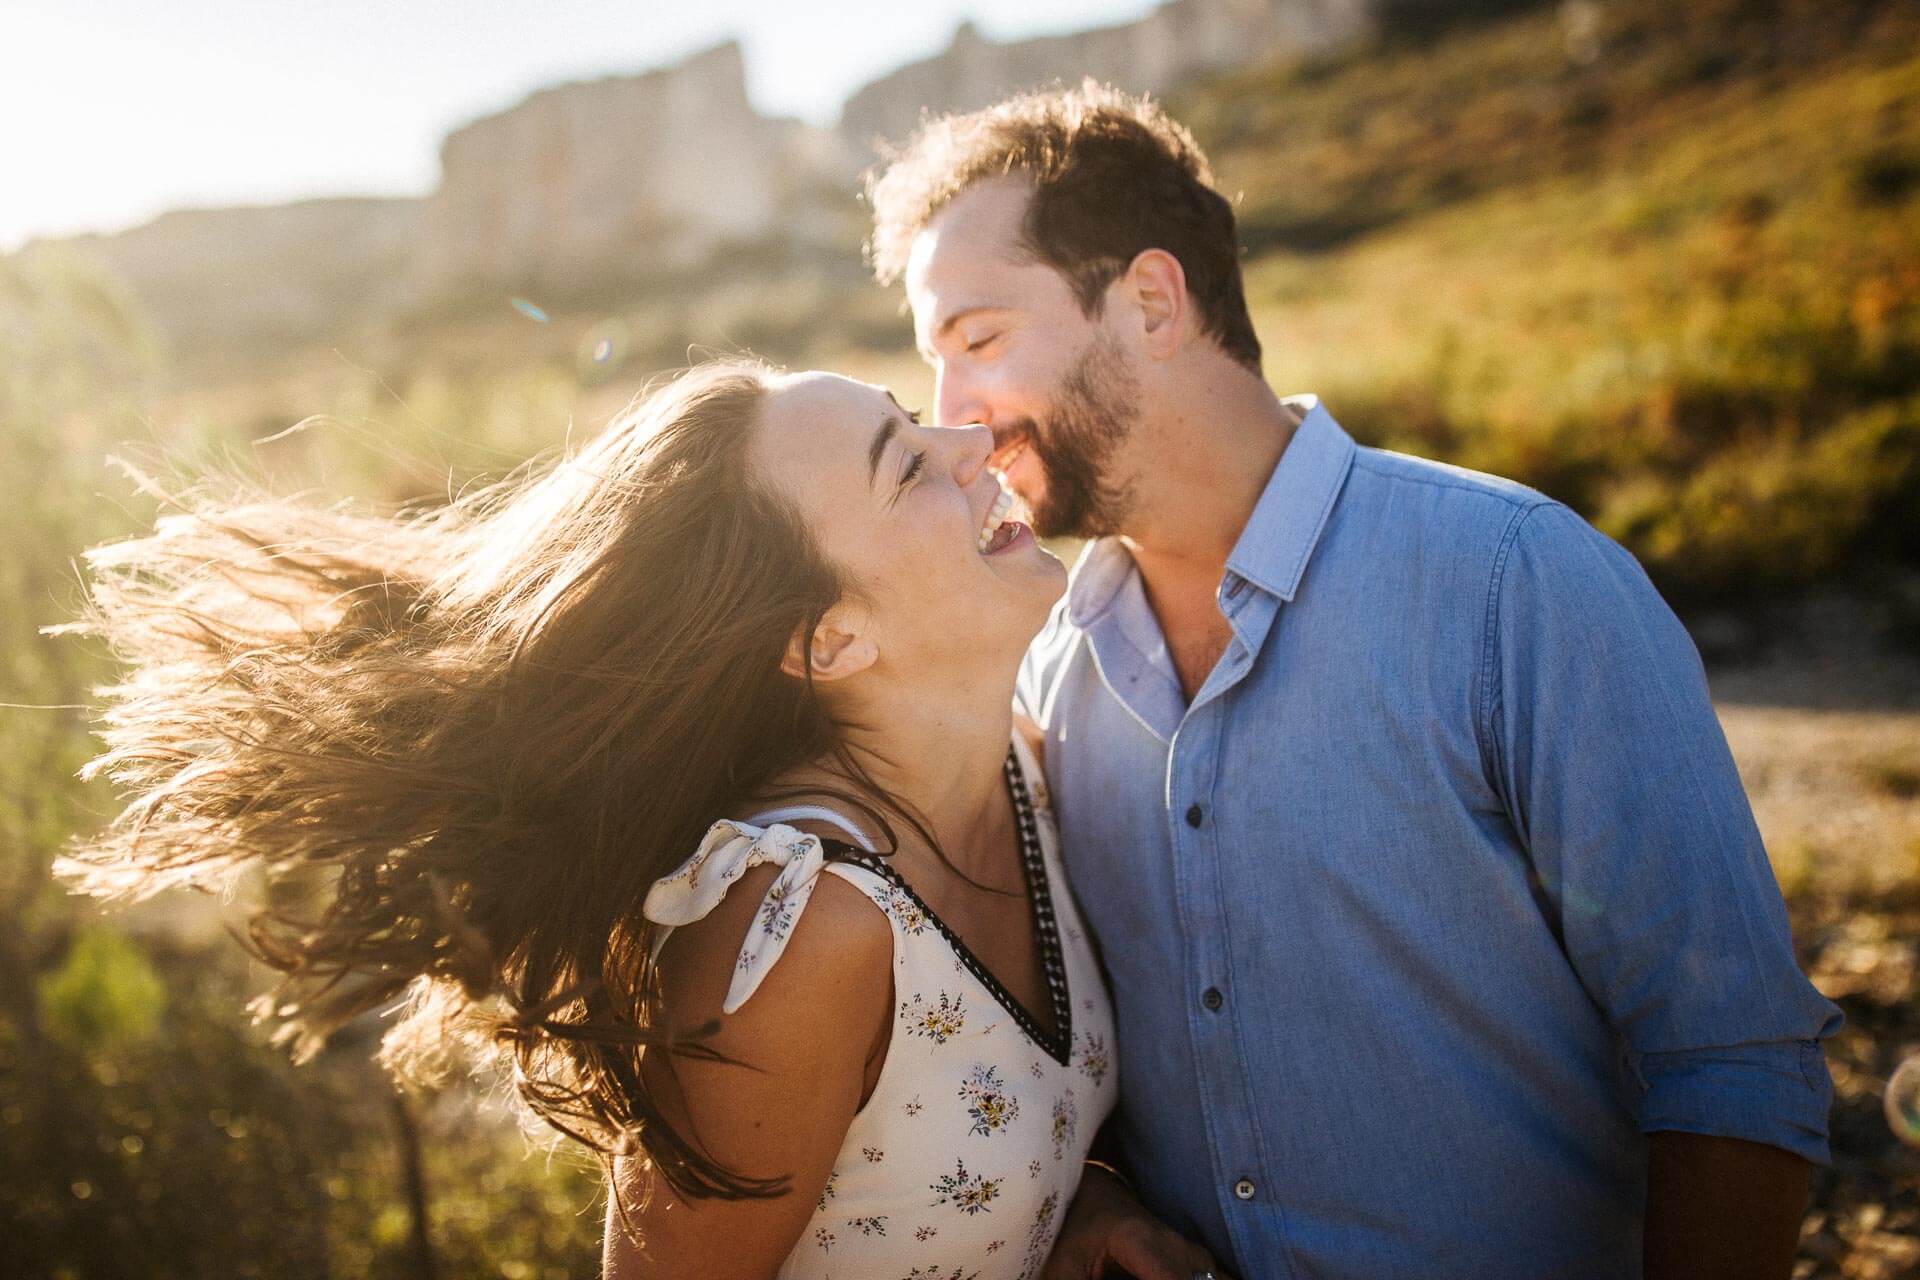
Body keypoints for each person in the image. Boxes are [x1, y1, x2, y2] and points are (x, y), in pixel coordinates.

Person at [866, 82, 1844, 1280]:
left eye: (979, 340)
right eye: (934, 361)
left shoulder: (1515, 584)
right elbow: (1085, 1060)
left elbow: (1735, 1061)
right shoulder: (1048, 678)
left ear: (1153, 301)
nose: (954, 418)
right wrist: (1098, 1202)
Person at [55, 361, 1170, 1278]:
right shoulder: (801, 936)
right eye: (906, 462)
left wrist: (1074, 1211)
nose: (968, 440)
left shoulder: (1026, 769)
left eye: (913, 422)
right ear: (826, 641)